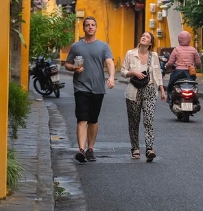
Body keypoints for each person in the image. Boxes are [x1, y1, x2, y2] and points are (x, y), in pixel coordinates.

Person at [64, 16, 115, 163]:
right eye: (87, 25)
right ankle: (81, 150)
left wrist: (111, 77)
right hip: (81, 87)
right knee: (82, 118)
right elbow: (67, 64)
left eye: (93, 25)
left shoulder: (103, 46)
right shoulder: (76, 46)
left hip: (98, 88)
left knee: (93, 120)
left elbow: (110, 62)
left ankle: (90, 148)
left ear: (96, 28)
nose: (90, 27)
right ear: (84, 28)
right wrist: (73, 68)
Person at [120, 31, 165, 162]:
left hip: (150, 90)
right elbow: (123, 71)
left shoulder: (154, 55)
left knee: (149, 120)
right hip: (134, 91)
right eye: (143, 36)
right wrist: (133, 72)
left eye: (147, 37)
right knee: (134, 121)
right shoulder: (130, 54)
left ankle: (149, 149)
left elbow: (157, 73)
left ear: (150, 43)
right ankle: (135, 148)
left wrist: (162, 89)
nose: (143, 38)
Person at [164, 31, 201, 104]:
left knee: (170, 84)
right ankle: (195, 101)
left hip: (178, 73)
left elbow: (170, 63)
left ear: (179, 39)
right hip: (190, 74)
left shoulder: (176, 50)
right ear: (189, 39)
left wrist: (167, 67)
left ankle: (170, 99)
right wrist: (198, 67)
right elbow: (198, 63)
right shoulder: (193, 50)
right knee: (193, 87)